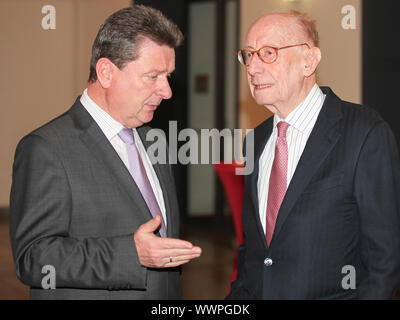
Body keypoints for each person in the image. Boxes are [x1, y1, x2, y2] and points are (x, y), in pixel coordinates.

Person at [9, 5, 201, 300]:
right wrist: (130, 254)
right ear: (106, 72)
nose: (167, 91)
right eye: (152, 76)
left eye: (168, 76)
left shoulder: (154, 141)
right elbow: (33, 258)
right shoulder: (46, 148)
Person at [227, 11, 400, 299]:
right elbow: (254, 251)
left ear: (309, 60)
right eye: (248, 55)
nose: (253, 68)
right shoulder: (255, 141)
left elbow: (385, 260)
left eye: (268, 53)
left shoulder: (364, 133)